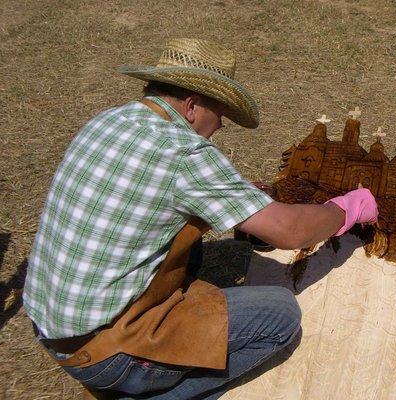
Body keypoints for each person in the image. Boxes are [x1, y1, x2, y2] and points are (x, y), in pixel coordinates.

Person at [23, 38, 378, 399]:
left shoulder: (111, 119)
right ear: (192, 106)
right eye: (219, 117)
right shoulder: (183, 151)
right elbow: (291, 232)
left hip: (51, 326)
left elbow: (151, 190)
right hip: (103, 354)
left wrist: (237, 197)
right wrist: (346, 208)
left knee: (188, 235)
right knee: (281, 316)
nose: (218, 128)